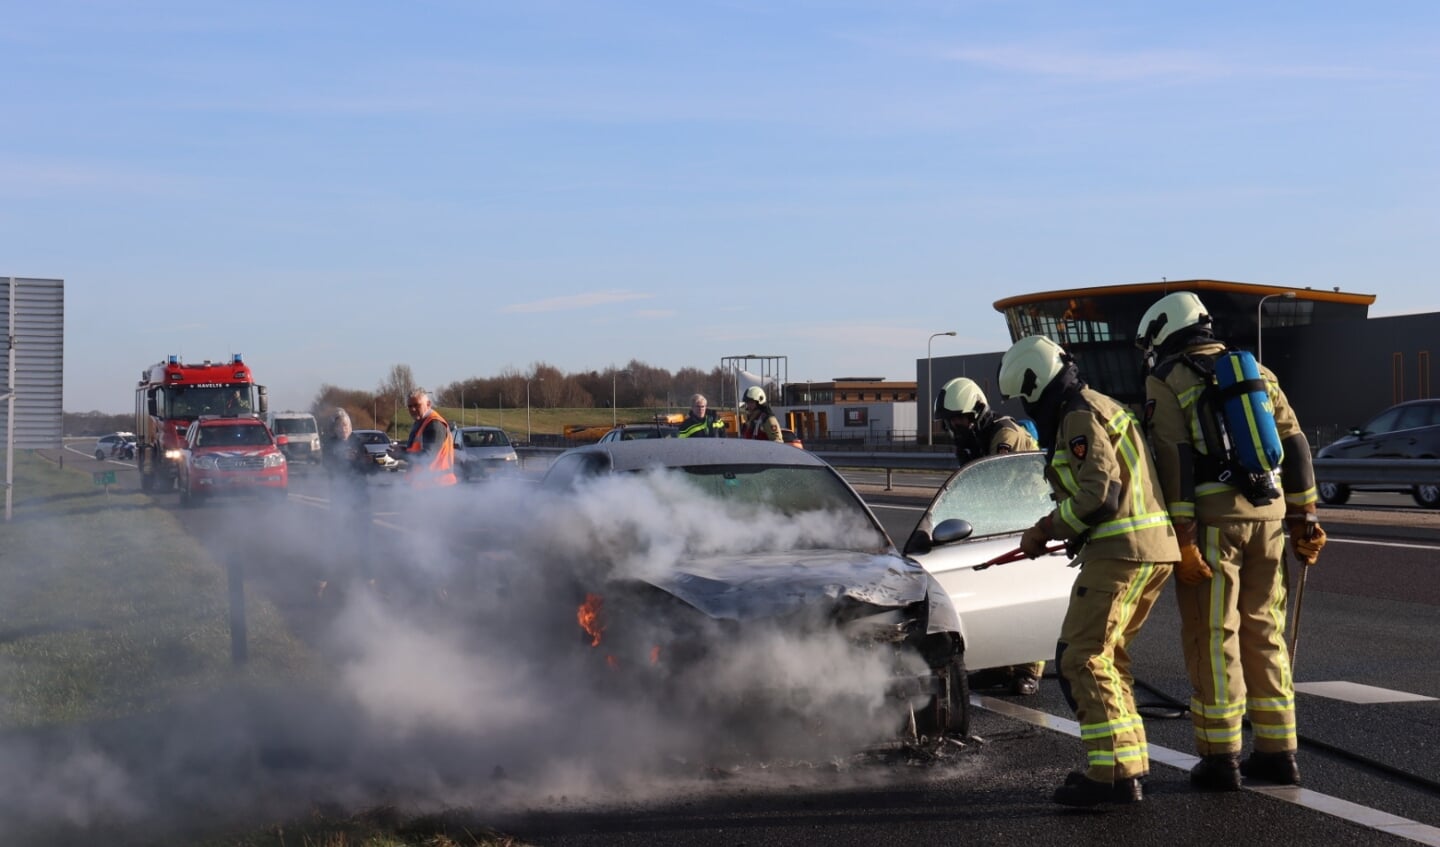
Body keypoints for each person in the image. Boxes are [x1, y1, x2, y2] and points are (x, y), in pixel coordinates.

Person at [1136, 291, 1327, 791]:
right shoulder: (1257, 372)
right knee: (1265, 630)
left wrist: (1183, 539)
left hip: (1214, 524)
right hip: (1270, 516)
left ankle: (1222, 758)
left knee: (1213, 635)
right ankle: (1279, 752)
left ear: (1163, 334)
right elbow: (1296, 441)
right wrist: (1306, 517)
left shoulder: (1168, 379)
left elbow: (1174, 458)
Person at [998, 335, 1178, 807]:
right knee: (1108, 657)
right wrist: (1070, 532)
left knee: (1081, 657)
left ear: (1035, 383)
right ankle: (1128, 768)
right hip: (1150, 549)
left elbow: (1101, 494)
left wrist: (1045, 529)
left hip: (1121, 551)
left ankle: (1109, 776)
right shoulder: (1104, 404)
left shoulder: (1078, 414)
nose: (1024, 404)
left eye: (1023, 394)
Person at [934, 376, 1045, 696]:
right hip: (1001, 521)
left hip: (1028, 519)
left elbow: (996, 480)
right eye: (950, 420)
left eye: (958, 418)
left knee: (1026, 593)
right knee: (999, 592)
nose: (954, 425)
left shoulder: (1004, 434)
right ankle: (1001, 665)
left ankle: (1028, 670)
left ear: (976, 412)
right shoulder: (970, 438)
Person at [319, 407, 378, 597]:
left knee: (364, 541)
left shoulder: (358, 443)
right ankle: (324, 581)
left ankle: (369, 581)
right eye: (339, 426)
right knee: (336, 540)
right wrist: (342, 459)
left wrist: (367, 462)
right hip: (341, 499)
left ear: (350, 426)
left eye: (345, 425)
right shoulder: (330, 445)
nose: (343, 429)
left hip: (360, 500)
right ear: (334, 429)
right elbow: (328, 466)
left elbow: (371, 469)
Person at [391, 388, 458, 488]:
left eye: (417, 405)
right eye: (410, 406)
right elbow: (419, 450)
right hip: (426, 485)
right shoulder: (422, 422)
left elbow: (427, 457)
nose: (413, 409)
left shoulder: (434, 424)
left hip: (437, 486)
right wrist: (403, 450)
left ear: (428, 404)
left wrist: (401, 454)